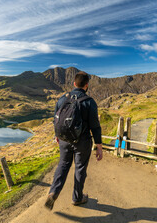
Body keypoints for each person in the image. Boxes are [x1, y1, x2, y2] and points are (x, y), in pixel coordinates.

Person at [44, 71, 103, 210]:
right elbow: (95, 126)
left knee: (63, 165)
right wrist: (99, 146)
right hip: (82, 142)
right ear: (87, 85)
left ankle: (53, 192)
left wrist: (57, 136)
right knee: (80, 168)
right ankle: (77, 198)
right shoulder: (89, 102)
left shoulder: (62, 99)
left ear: (74, 84)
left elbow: (56, 119)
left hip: (64, 140)